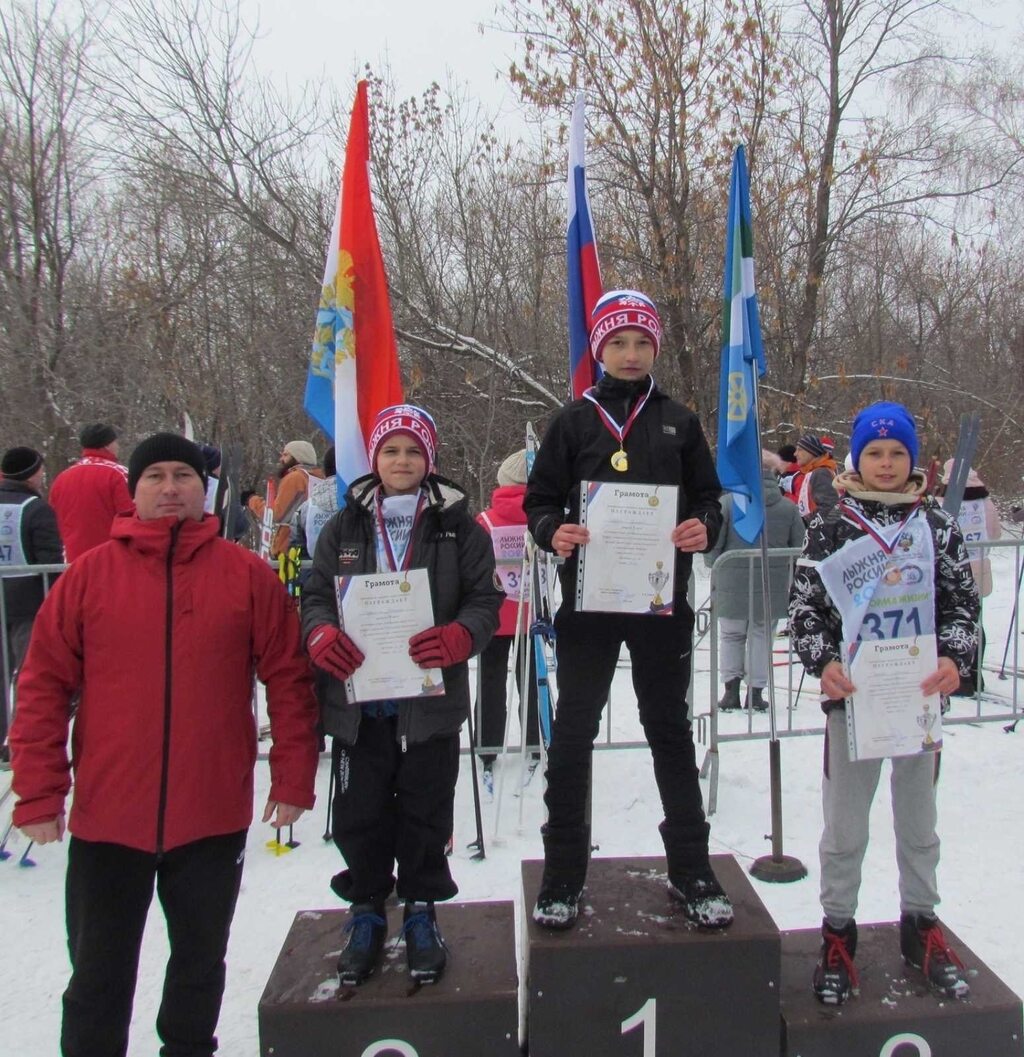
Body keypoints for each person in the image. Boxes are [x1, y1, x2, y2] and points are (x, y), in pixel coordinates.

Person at [9, 432, 319, 1057]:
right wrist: (39, 792)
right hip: (109, 818)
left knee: (199, 970)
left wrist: (292, 780)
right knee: (97, 977)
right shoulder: (89, 577)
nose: (171, 487)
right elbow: (42, 687)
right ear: (135, 491)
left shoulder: (247, 576)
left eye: (183, 475)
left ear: (203, 490)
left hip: (210, 814)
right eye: (156, 477)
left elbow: (288, 680)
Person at [523, 288, 731, 932]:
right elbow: (538, 500)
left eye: (642, 342)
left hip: (659, 602)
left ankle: (692, 868)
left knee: (668, 728)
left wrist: (703, 524)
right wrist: (553, 529)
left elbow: (710, 499)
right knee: (575, 732)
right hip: (588, 605)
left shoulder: (680, 419)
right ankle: (562, 873)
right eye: (619, 342)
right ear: (599, 350)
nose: (632, 353)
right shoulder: (572, 421)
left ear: (656, 348)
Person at [301, 405, 502, 986]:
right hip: (359, 707)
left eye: (413, 451)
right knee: (360, 812)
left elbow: (484, 601)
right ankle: (366, 908)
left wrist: (463, 633)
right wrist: (319, 633)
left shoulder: (457, 526)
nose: (402, 461)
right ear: (375, 458)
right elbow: (314, 592)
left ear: (429, 459)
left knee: (425, 810)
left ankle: (419, 909)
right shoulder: (344, 526)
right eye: (391, 451)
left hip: (429, 703)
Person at [788, 401, 979, 1005]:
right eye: (875, 452)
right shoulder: (831, 525)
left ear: (914, 459)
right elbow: (803, 609)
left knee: (919, 825)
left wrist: (955, 657)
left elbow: (962, 605)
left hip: (918, 702)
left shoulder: (937, 526)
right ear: (857, 458)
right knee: (844, 829)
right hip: (854, 705)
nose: (888, 463)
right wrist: (824, 662)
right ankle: (837, 932)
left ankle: (919, 924)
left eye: (898, 453)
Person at [705, 451, 806, 711]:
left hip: (730, 580)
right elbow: (799, 548)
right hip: (771, 583)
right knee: (762, 636)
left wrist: (713, 565)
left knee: (731, 636)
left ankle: (730, 691)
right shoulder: (788, 507)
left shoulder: (728, 503)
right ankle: (756, 692)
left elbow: (715, 543)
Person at [475, 448, 540, 793]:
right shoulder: (541, 517)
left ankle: (487, 746)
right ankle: (535, 739)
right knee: (530, 679)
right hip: (531, 614)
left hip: (492, 616)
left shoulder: (484, 520)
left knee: (490, 680)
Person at [0, 446, 62, 766]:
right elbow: (50, 559)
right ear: (33, 472)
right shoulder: (36, 509)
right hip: (27, 604)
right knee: (27, 676)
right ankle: (24, 741)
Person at [939, 459, 1001, 695]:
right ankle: (975, 672)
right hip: (979, 567)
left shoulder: (944, 499)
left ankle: (960, 672)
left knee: (954, 620)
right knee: (976, 620)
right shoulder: (985, 500)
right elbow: (994, 532)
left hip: (953, 569)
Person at [48, 423, 134, 561]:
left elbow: (53, 520)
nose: (118, 446)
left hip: (74, 562)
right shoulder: (119, 474)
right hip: (112, 560)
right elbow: (132, 517)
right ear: (107, 445)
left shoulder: (62, 478)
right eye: (115, 442)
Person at [246, 440, 323, 559]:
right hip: (315, 544)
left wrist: (252, 500)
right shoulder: (321, 477)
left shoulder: (294, 478)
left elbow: (274, 514)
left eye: (286, 455)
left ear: (298, 457)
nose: (281, 459)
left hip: (290, 548)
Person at [792, 433, 839, 523]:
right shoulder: (812, 472)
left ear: (811, 452)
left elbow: (829, 509)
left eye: (800, 450)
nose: (795, 454)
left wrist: (805, 523)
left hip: (817, 532)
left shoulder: (821, 473)